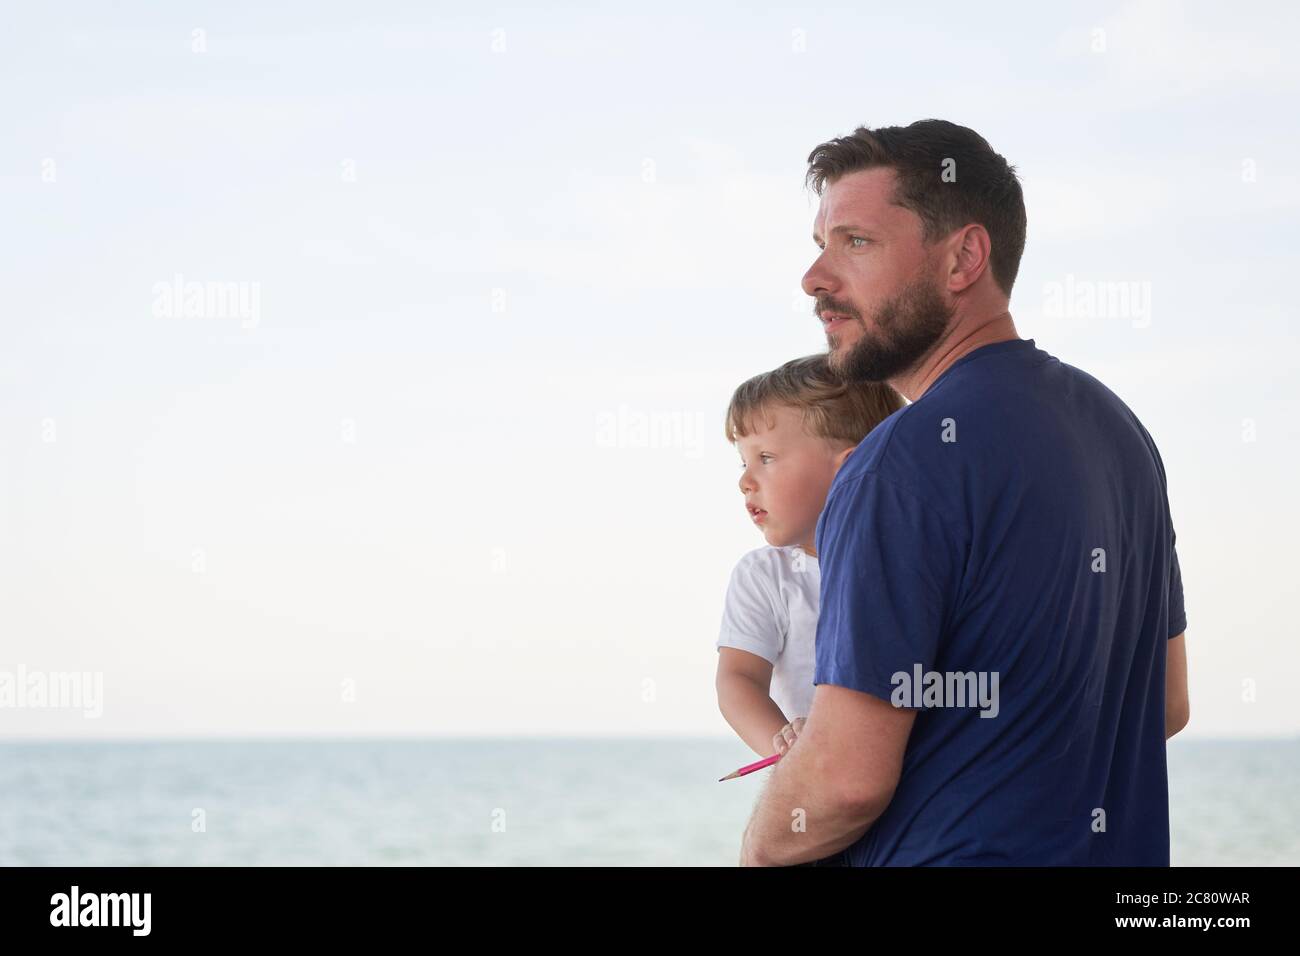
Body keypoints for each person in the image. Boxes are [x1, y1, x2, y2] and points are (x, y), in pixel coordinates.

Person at [739, 119, 1190, 867]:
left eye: (855, 242)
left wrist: (758, 846)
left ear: (964, 259)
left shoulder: (898, 464)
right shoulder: (1121, 433)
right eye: (820, 245)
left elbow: (844, 784)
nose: (815, 278)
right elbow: (1165, 707)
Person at [715, 354, 903, 760]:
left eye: (765, 459)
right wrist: (785, 745)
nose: (745, 481)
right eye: (743, 462)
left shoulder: (911, 565)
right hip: (820, 780)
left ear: (850, 469)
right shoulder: (765, 575)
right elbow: (738, 679)